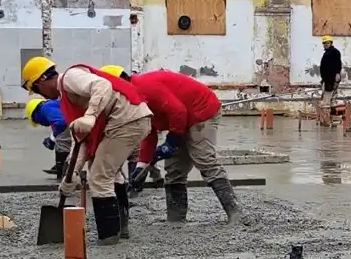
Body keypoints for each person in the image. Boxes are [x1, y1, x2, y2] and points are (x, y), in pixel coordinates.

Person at [21, 56, 151, 244]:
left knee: (99, 176)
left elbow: (102, 85)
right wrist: (72, 174)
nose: (40, 95)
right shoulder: (66, 100)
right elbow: (81, 139)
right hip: (127, 119)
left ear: (41, 79)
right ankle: (121, 229)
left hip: (126, 119)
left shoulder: (69, 78)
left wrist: (90, 115)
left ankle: (108, 238)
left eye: (35, 89)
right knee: (109, 172)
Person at [100, 65, 248, 225]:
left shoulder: (145, 88)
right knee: (174, 169)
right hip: (180, 119)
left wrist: (171, 141)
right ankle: (176, 219)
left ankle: (235, 213)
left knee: (204, 159)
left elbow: (178, 111)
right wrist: (142, 166)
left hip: (201, 111)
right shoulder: (132, 99)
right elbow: (149, 131)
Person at [24, 98, 72, 179]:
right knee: (61, 136)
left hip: (73, 121)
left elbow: (61, 123)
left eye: (37, 121)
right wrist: (52, 138)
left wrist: (52, 139)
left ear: (35, 114)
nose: (40, 124)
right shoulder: (52, 105)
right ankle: (63, 164)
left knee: (61, 139)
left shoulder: (45, 107)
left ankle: (62, 166)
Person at [318, 35, 342, 125]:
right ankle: (333, 119)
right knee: (332, 99)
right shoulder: (328, 53)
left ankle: (326, 121)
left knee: (327, 100)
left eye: (327, 43)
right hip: (328, 79)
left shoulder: (333, 52)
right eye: (324, 43)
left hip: (330, 80)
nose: (325, 45)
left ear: (331, 43)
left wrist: (337, 74)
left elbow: (337, 64)